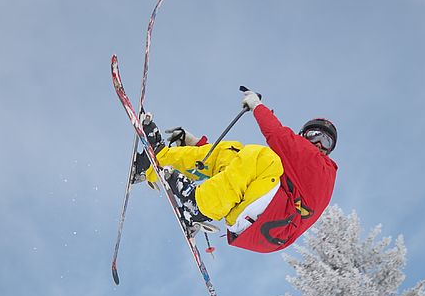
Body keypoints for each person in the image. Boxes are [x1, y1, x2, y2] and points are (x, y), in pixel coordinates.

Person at [132, 90, 338, 253]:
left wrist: (257, 105)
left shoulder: (322, 169)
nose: (319, 143)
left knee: (262, 158)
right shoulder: (295, 173)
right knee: (236, 151)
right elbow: (235, 168)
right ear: (304, 135)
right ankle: (155, 161)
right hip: (261, 217)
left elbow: (277, 135)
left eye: (326, 141)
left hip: (271, 223)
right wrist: (196, 145)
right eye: (314, 135)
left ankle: (199, 207)